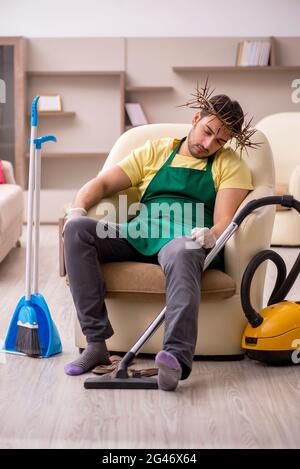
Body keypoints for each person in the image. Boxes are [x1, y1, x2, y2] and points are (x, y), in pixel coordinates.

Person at [63, 82, 256, 391]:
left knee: (183, 252)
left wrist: (210, 236)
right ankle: (96, 344)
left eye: (220, 140)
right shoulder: (157, 150)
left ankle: (174, 360)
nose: (209, 143)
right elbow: (100, 184)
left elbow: (224, 221)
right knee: (77, 230)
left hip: (185, 239)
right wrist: (78, 209)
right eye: (207, 131)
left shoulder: (230, 164)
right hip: (139, 232)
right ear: (195, 120)